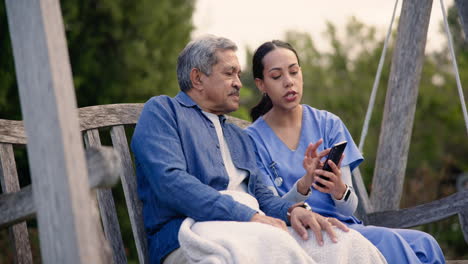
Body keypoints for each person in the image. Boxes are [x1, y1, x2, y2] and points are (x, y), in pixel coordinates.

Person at [131, 35, 387, 264]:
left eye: (238, 75)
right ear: (197, 78)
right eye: (229, 73)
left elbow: (263, 197)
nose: (238, 83)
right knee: (272, 243)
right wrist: (248, 216)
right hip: (191, 231)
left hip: (253, 228)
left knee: (343, 243)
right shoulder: (164, 112)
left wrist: (294, 211)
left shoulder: (238, 137)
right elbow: (171, 183)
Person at [245, 40, 446, 264]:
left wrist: (339, 189)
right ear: (261, 84)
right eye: (276, 76)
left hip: (345, 225)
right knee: (392, 242)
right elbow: (271, 208)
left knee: (426, 244)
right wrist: (304, 184)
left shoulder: (328, 124)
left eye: (293, 71)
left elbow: (350, 208)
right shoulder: (253, 139)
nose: (289, 82)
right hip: (305, 231)